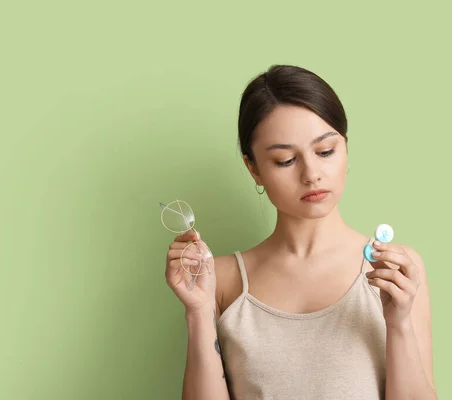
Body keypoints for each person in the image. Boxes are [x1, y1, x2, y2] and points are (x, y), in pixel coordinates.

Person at [165, 65, 438, 400]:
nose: (312, 174)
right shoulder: (220, 280)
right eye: (285, 160)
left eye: (325, 151)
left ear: (346, 148)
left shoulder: (397, 270)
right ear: (254, 169)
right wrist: (198, 311)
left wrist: (399, 324)